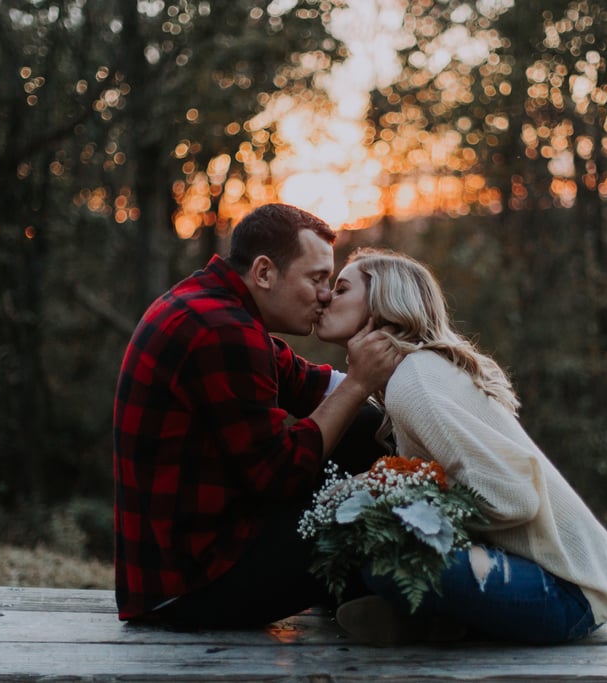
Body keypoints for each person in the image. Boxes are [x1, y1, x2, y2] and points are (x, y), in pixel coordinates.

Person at [314, 247, 607, 645]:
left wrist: (388, 495)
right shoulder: (417, 372)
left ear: (382, 303)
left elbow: (514, 498)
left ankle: (438, 622)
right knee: (358, 547)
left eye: (341, 288)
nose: (326, 296)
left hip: (567, 593)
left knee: (387, 563)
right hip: (559, 574)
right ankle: (437, 617)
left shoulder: (415, 382)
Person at [113, 204, 401, 628]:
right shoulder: (225, 331)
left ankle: (355, 602)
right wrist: (360, 384)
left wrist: (412, 381)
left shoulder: (216, 307)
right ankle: (397, 606)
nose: (325, 294)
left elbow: (313, 384)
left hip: (189, 559)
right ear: (265, 272)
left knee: (362, 430)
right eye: (316, 278)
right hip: (191, 584)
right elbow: (279, 474)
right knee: (369, 514)